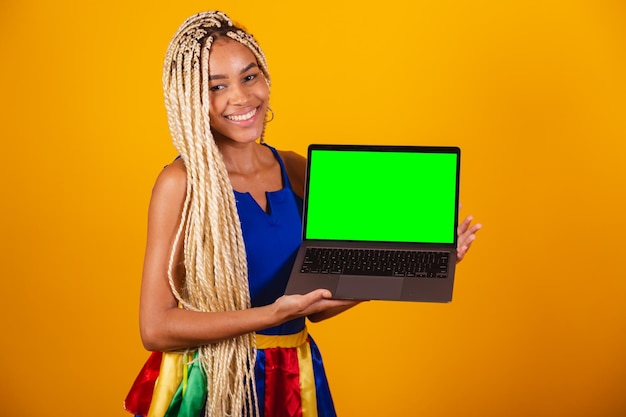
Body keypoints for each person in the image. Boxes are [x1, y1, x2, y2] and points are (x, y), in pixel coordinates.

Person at [124, 10, 482, 417]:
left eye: (249, 76)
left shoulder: (296, 169)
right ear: (190, 98)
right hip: (215, 382)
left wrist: (417, 264)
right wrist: (269, 315)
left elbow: (319, 301)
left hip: (293, 376)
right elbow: (155, 327)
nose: (240, 97)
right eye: (216, 86)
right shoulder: (181, 183)